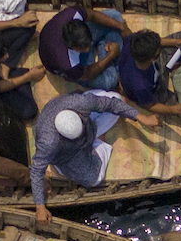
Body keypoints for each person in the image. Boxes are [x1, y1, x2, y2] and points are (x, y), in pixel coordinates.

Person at [28, 86, 154, 219]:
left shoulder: (79, 104)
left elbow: (112, 104)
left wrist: (141, 117)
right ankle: (99, 142)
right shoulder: (48, 142)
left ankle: (95, 139)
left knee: (116, 99)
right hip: (68, 153)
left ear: (79, 114)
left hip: (89, 128)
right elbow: (36, 170)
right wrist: (40, 207)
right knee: (94, 179)